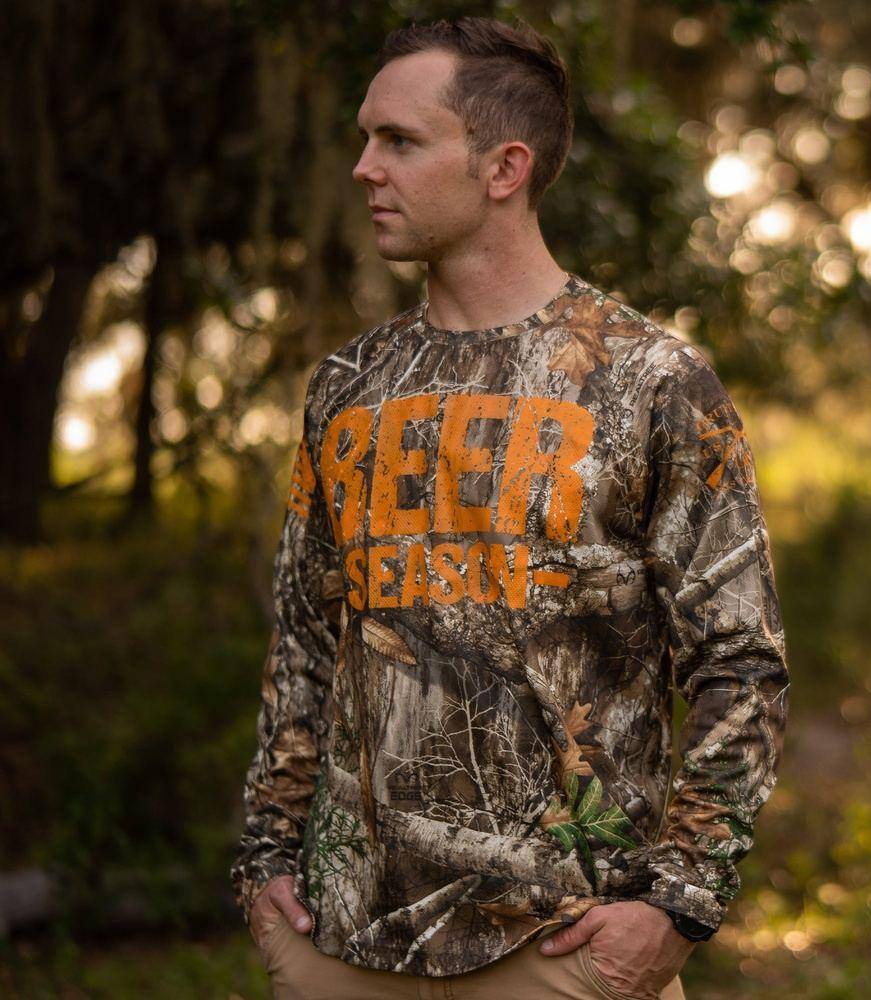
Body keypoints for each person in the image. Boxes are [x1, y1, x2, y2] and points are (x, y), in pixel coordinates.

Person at [230, 14, 789, 1000]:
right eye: (365, 138)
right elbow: (306, 643)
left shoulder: (649, 380)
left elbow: (739, 663)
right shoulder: (348, 386)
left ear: (504, 168)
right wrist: (266, 861)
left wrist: (677, 905)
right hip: (342, 941)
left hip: (562, 947)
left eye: (399, 140)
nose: (364, 167)